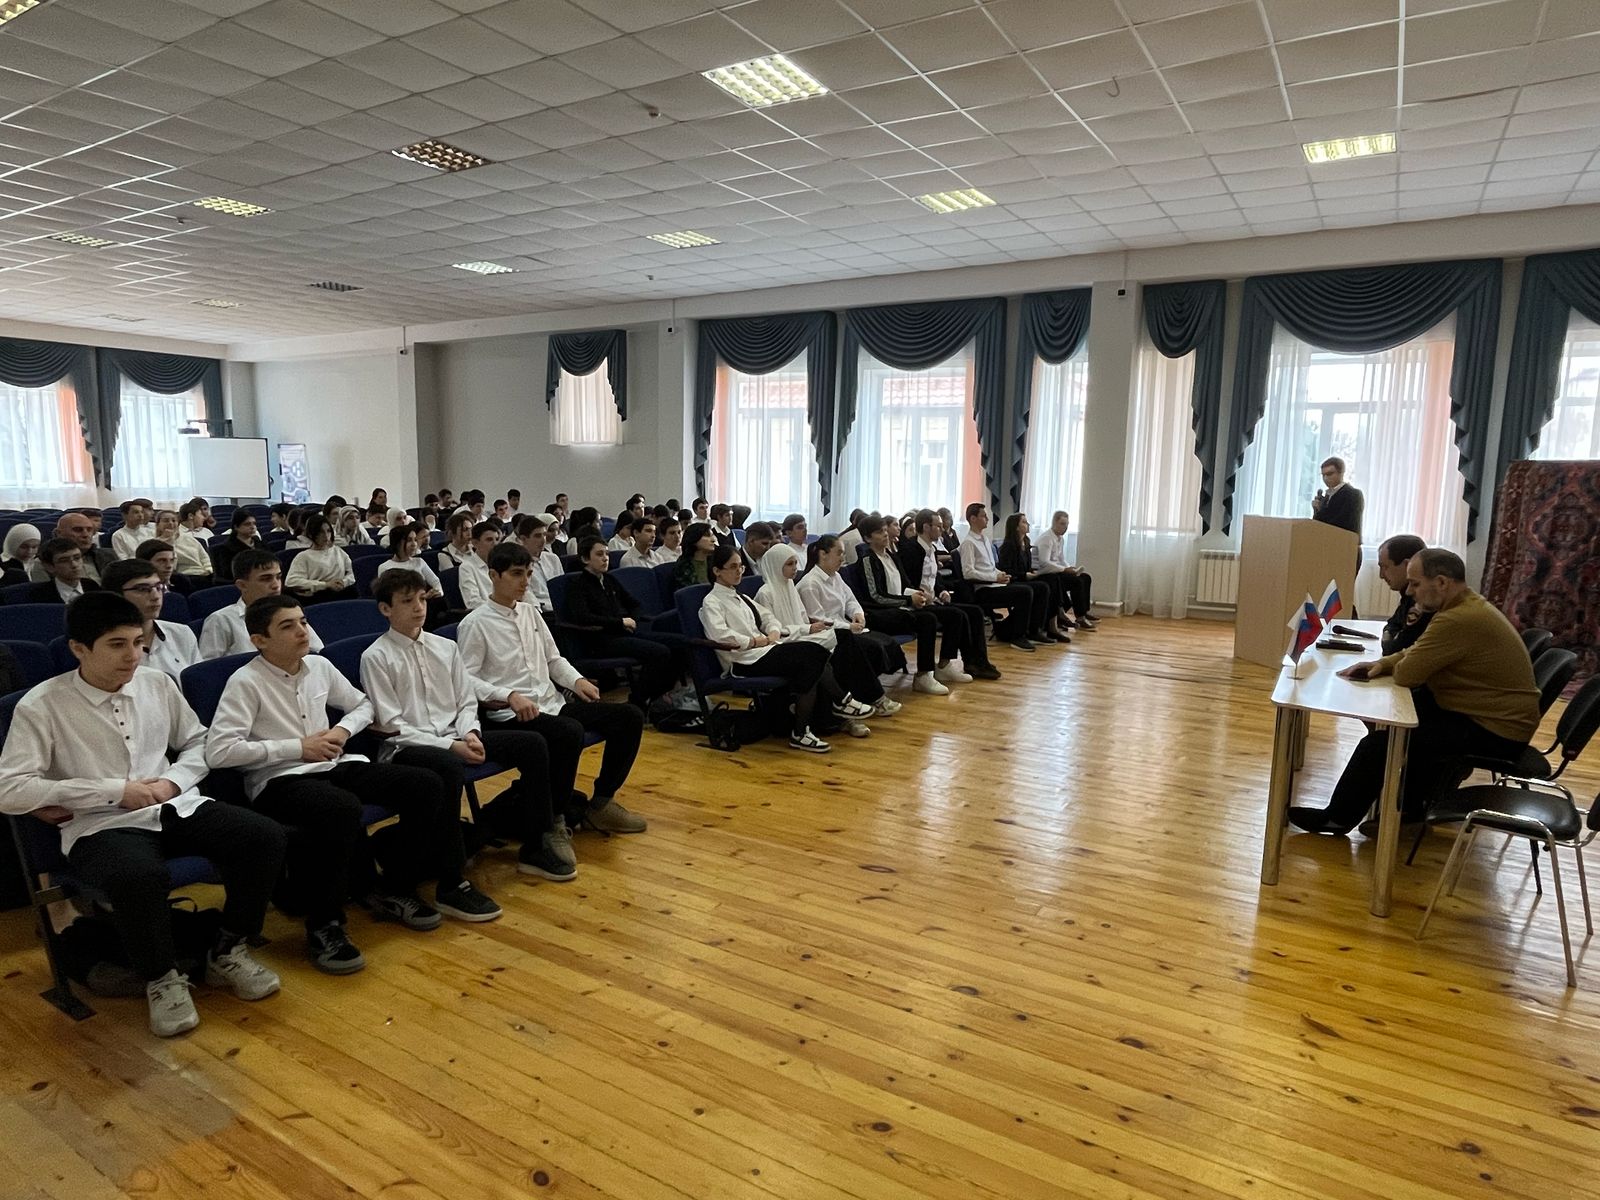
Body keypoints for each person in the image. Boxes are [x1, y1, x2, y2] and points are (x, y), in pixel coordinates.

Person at [0, 593, 286, 1037]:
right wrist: (114, 791)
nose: (132, 655)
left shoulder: (157, 683)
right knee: (138, 874)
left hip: (172, 804)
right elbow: (10, 789)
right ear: (78, 648)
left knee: (262, 836)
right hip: (100, 823)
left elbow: (198, 742)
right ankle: (162, 977)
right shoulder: (42, 705)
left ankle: (228, 948)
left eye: (137, 642)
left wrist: (173, 782)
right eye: (117, 644)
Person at [207, 595, 483, 970]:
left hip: (332, 764)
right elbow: (220, 751)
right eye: (287, 626)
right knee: (341, 809)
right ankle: (325, 925)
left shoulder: (319, 666)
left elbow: (363, 705)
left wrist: (342, 730)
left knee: (425, 785)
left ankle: (396, 886)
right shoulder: (245, 682)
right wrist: (297, 747)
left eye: (303, 622)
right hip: (280, 779)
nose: (302, 630)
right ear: (260, 640)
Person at [1288, 549, 1541, 836]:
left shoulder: (1458, 619)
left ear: (1442, 582)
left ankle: (1338, 818)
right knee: (1400, 722)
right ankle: (1410, 809)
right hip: (1490, 715)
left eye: (1416, 584)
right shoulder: (1465, 607)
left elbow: (1408, 674)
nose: (1410, 592)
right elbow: (1416, 651)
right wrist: (1382, 664)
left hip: (1497, 730)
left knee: (1382, 743)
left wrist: (1393, 665)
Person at [361, 569, 574, 881]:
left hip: (457, 735)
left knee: (532, 744)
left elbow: (465, 701)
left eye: (422, 599)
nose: (419, 608)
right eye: (407, 601)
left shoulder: (445, 647)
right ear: (385, 609)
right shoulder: (376, 657)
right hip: (410, 748)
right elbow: (394, 727)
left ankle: (535, 844)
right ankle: (452, 879)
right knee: (446, 764)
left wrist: (470, 733)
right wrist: (452, 745)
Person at [457, 542, 648, 835]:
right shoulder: (475, 623)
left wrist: (576, 680)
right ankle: (554, 820)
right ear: (494, 575)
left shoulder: (531, 613)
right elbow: (466, 679)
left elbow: (553, 659)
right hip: (511, 714)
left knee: (629, 717)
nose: (525, 581)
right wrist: (508, 695)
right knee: (568, 731)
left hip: (551, 704)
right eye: (517, 573)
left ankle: (601, 803)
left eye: (528, 573)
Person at [700, 544, 871, 753]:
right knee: (813, 655)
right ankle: (838, 704)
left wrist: (772, 631)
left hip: (763, 650)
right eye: (733, 567)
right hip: (743, 660)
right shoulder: (712, 601)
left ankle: (805, 728)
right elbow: (720, 635)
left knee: (815, 656)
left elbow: (768, 618)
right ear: (717, 571)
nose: (739, 572)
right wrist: (754, 641)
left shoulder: (742, 598)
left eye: (741, 567)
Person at [762, 540, 899, 725]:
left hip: (804, 634)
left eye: (795, 563)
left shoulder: (790, 587)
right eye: (789, 564)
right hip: (787, 643)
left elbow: (808, 616)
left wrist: (856, 615)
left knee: (847, 642)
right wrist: (809, 629)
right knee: (843, 645)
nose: (795, 568)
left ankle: (852, 705)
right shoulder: (767, 593)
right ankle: (853, 705)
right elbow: (776, 629)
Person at [859, 516, 977, 693]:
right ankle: (923, 675)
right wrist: (909, 600)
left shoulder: (891, 556)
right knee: (927, 620)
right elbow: (876, 596)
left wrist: (918, 594)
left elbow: (905, 584)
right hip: (882, 612)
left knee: (954, 615)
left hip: (901, 606)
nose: (885, 534)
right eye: (879, 532)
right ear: (868, 538)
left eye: (884, 530)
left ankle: (944, 665)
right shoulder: (868, 560)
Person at [563, 536, 678, 711]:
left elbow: (635, 604)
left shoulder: (609, 579)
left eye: (607, 554)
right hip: (601, 639)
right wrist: (620, 622)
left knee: (678, 644)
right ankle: (638, 700)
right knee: (659, 652)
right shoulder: (578, 585)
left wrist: (633, 619)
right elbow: (583, 617)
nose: (605, 558)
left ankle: (657, 696)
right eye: (599, 554)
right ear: (586, 559)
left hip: (624, 632)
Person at [799, 534, 905, 715]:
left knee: (886, 643)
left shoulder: (836, 576)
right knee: (871, 648)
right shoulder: (810, 584)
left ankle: (860, 695)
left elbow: (850, 600)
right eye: (839, 553)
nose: (843, 558)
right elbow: (818, 620)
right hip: (829, 636)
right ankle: (873, 697)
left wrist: (857, 614)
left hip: (845, 629)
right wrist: (849, 627)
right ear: (823, 554)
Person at [897, 510, 1002, 682]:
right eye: (938, 526)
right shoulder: (910, 550)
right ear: (926, 527)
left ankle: (977, 662)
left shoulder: (930, 548)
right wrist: (920, 594)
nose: (942, 529)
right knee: (956, 615)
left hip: (933, 600)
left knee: (974, 612)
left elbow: (934, 577)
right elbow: (906, 581)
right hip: (918, 603)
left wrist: (942, 591)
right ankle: (944, 665)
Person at [199, 548, 324, 659]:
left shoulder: (290, 613)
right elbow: (209, 669)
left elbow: (317, 651)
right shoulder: (221, 620)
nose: (276, 585)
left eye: (278, 577)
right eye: (266, 579)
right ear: (242, 585)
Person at [958, 503, 1040, 651]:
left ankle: (1015, 629)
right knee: (1025, 592)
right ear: (973, 519)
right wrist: (994, 578)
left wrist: (999, 574)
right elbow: (968, 573)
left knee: (1038, 588)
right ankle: (1017, 636)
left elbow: (990, 566)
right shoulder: (968, 543)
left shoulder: (984, 540)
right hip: (984, 590)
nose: (987, 519)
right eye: (983, 516)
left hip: (994, 584)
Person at [102, 558, 199, 682]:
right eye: (143, 589)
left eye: (159, 587)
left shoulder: (181, 633)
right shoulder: (104, 645)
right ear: (116, 595)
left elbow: (199, 683)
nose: (155, 596)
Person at [997, 513, 1070, 644]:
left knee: (1052, 579)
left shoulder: (1026, 542)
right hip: (1014, 580)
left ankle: (1049, 623)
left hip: (1025, 577)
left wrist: (1032, 572)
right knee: (1042, 587)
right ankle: (1037, 628)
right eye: (1024, 522)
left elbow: (1028, 566)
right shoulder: (1008, 546)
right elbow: (1006, 570)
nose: (1028, 524)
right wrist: (1024, 575)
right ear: (1016, 527)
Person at [1033, 511, 1096, 630]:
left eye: (1067, 524)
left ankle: (1084, 611)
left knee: (1085, 577)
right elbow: (1044, 563)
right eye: (1062, 524)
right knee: (1077, 582)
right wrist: (1064, 570)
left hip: (1056, 571)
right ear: (1054, 523)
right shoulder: (1047, 538)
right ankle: (1080, 616)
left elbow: (1061, 559)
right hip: (1046, 573)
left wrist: (1070, 568)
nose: (1065, 527)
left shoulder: (1060, 539)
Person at [1374, 535, 1430, 654]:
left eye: (1385, 567)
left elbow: (1395, 648)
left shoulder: (1423, 600)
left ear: (1407, 565)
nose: (1381, 575)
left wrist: (1389, 636)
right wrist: (1390, 634)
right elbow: (1392, 624)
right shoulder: (1407, 596)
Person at [283, 514, 357, 603]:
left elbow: (352, 572)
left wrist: (344, 582)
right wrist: (325, 585)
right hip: (318, 597)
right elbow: (291, 581)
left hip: (342, 592)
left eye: (328, 531)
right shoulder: (303, 556)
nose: (326, 536)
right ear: (311, 534)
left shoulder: (338, 551)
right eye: (321, 532)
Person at [33, 512, 115, 583]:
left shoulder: (108, 555)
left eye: (89, 530)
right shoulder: (44, 562)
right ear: (59, 533)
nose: (85, 535)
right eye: (78, 530)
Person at [377, 524, 445, 600]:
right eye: (409, 540)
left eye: (415, 540)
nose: (414, 544)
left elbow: (435, 581)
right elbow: (389, 596)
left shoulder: (419, 562)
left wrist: (438, 592)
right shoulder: (385, 567)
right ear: (397, 543)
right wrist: (421, 597)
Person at [28, 537, 103, 604]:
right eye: (64, 561)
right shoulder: (39, 596)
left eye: (77, 558)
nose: (74, 565)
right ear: (50, 567)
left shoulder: (92, 587)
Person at [456, 520, 502, 611]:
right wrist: (500, 609)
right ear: (475, 543)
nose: (495, 544)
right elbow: (472, 602)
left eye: (497, 539)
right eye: (489, 540)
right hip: (487, 614)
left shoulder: (502, 563)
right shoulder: (467, 567)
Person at [210, 510, 262, 582]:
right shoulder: (226, 549)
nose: (253, 527)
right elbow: (229, 574)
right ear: (236, 527)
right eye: (247, 524)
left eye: (254, 523)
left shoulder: (259, 543)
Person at [672, 522, 717, 589]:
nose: (713, 540)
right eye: (707, 536)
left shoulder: (716, 562)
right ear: (694, 538)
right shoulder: (683, 566)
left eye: (712, 535)